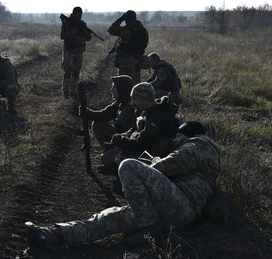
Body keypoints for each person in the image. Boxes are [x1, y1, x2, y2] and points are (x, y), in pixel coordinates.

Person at [25, 120, 221, 249]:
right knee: (110, 217)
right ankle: (53, 235)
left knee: (128, 165)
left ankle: (149, 226)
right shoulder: (199, 151)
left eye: (179, 136)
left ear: (191, 134)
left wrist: (151, 167)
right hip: (169, 208)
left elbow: (172, 164)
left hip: (182, 205)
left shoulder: (201, 144)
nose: (176, 140)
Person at [111, 82, 179, 164]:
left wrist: (119, 140)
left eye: (135, 99)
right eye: (131, 98)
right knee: (110, 156)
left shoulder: (158, 116)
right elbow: (133, 129)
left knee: (121, 159)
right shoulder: (147, 112)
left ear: (146, 99)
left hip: (161, 159)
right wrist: (122, 137)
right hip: (148, 152)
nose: (132, 103)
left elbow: (141, 144)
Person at [79, 75, 136, 172]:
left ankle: (117, 165)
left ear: (122, 89)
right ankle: (111, 153)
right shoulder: (119, 103)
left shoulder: (132, 108)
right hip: (120, 138)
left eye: (114, 87)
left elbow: (132, 136)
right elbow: (103, 115)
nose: (111, 89)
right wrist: (87, 112)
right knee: (98, 124)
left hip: (129, 144)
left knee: (105, 158)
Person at [108, 10, 148, 84]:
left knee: (123, 85)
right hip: (137, 61)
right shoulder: (143, 30)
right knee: (135, 84)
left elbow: (110, 30)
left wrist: (121, 19)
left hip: (125, 61)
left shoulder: (125, 30)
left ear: (126, 19)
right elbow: (144, 44)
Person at [60, 6, 92, 99]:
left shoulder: (82, 24)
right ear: (73, 14)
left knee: (76, 72)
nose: (78, 16)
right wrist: (73, 32)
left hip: (79, 51)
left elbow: (89, 38)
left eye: (80, 15)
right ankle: (66, 92)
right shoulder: (67, 23)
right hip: (69, 50)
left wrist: (85, 33)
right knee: (67, 71)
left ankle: (73, 91)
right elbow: (62, 36)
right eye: (77, 14)